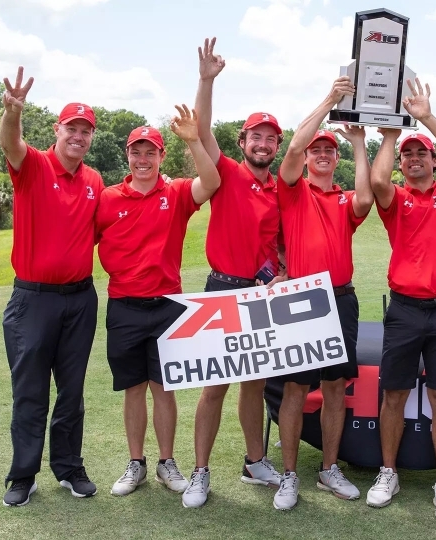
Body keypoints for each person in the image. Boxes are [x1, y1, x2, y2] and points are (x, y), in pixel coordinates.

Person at [182, 37, 287, 509]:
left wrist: (280, 271)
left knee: (256, 385)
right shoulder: (223, 172)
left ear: (276, 146)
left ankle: (254, 460)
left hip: (262, 294)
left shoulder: (281, 191)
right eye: (255, 137)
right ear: (243, 142)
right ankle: (200, 471)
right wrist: (206, 81)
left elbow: (281, 245)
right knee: (215, 385)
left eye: (270, 138)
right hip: (222, 288)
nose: (262, 144)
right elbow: (201, 131)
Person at [96, 106, 220, 497]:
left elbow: (212, 181)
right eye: (137, 152)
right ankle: (137, 464)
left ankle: (167, 463)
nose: (143, 159)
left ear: (162, 156)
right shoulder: (108, 198)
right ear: (127, 156)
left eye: (151, 152)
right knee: (133, 387)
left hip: (167, 305)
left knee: (163, 388)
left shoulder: (178, 192)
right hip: (124, 304)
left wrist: (194, 140)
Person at [365, 78, 436, 523]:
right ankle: (387, 471)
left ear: (433, 159)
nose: (413, 160)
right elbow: (376, 177)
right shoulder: (397, 199)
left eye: (420, 152)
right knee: (393, 395)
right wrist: (392, 133)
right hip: (405, 310)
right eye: (406, 154)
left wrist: (425, 115)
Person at [0, 66, 102, 506]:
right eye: (71, 128)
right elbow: (11, 142)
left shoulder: (95, 181)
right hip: (33, 300)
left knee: (72, 392)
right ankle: (24, 474)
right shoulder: (34, 165)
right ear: (57, 130)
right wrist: (13, 112)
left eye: (86, 130)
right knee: (30, 391)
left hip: (80, 299)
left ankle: (69, 467)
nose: (78, 135)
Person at [271, 77, 373, 510]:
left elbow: (367, 198)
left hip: (341, 298)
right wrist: (331, 99)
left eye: (329, 150)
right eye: (319, 149)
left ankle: (329, 469)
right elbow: (292, 149)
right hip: (302, 298)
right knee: (295, 388)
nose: (322, 154)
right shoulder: (293, 191)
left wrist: (357, 143)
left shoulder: (344, 197)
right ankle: (290, 475)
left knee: (335, 386)